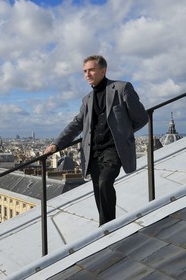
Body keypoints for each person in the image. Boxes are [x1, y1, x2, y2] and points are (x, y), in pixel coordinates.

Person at [44, 55, 148, 226]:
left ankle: (108, 227)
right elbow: (76, 124)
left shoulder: (122, 88)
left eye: (91, 70)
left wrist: (122, 133)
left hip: (114, 149)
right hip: (93, 153)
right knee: (99, 192)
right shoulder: (87, 99)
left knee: (105, 182)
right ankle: (105, 226)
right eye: (85, 71)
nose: (87, 74)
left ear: (103, 70)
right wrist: (57, 144)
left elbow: (141, 118)